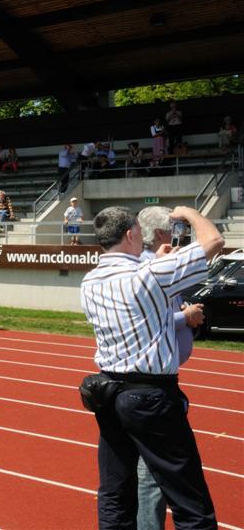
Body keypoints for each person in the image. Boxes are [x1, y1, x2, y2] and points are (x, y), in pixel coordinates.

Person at [80, 205, 221, 530]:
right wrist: (190, 214)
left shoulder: (90, 281)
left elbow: (138, 302)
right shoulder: (150, 275)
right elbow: (213, 241)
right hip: (152, 395)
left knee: (115, 494)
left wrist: (157, 259)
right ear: (131, 234)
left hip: (109, 393)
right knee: (190, 500)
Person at [135, 206, 206, 530]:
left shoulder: (153, 264)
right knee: (155, 474)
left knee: (146, 471)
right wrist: (185, 317)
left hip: (156, 379)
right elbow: (146, 321)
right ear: (161, 233)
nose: (178, 235)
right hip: (152, 385)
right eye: (174, 228)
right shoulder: (145, 268)